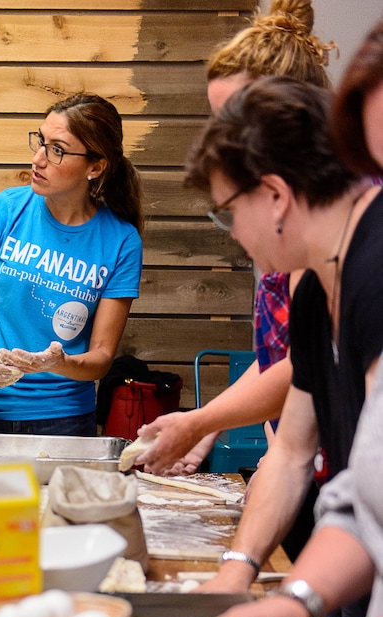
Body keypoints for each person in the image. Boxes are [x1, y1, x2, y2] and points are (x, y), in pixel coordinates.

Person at [161, 19, 383, 617]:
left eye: (226, 214)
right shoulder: (332, 279)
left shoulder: (375, 270)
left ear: (277, 197)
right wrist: (288, 599)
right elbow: (358, 496)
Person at [128, 0, 336, 481]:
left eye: (232, 117)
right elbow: (281, 356)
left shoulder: (337, 232)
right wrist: (208, 430)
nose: (222, 136)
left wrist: (206, 421)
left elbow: (303, 366)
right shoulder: (280, 218)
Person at [0, 93, 143, 437]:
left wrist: (59, 363)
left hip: (64, 421)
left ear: (95, 167)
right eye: (41, 141)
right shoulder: (3, 210)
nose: (38, 159)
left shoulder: (121, 241)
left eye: (58, 150)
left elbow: (101, 357)